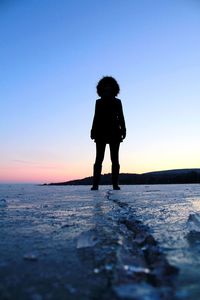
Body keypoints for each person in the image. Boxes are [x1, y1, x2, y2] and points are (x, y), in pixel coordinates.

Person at [90, 76, 126, 190]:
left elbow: (121, 117)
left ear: (113, 88)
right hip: (100, 132)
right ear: (102, 88)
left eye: (109, 86)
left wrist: (124, 129)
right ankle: (95, 184)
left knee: (115, 159)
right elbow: (95, 117)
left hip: (115, 132)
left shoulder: (117, 102)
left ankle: (115, 184)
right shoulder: (98, 102)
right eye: (105, 86)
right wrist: (92, 130)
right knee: (99, 159)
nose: (107, 88)